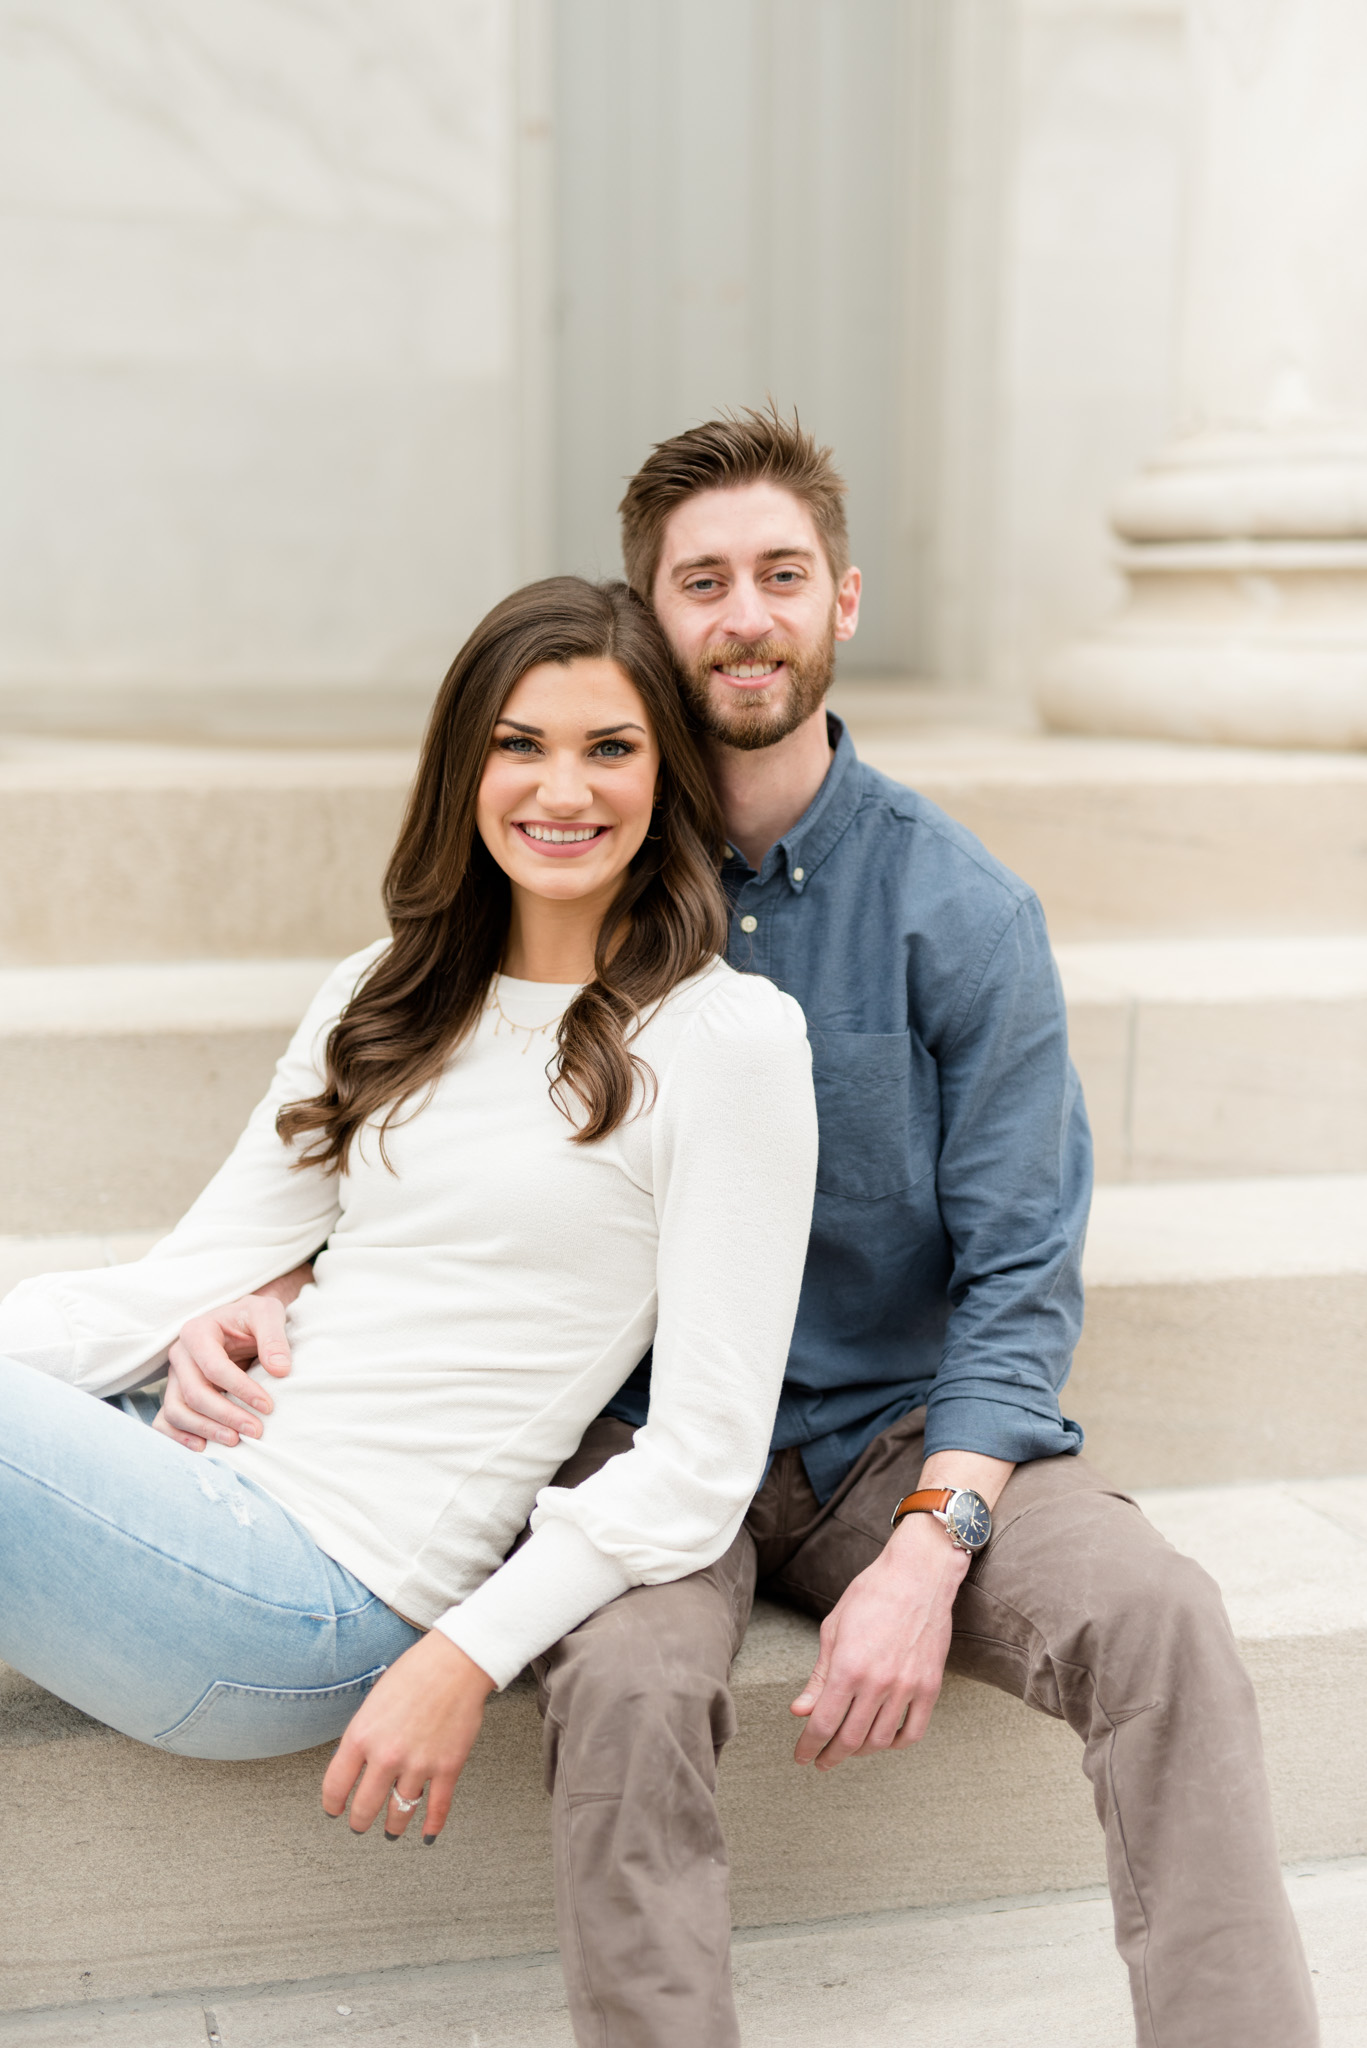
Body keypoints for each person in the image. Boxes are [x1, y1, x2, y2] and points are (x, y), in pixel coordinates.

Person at [155, 412, 1318, 2048]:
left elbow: (1019, 1262)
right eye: (699, 582)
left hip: (882, 1431)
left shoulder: (955, 909)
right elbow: (433, 1111)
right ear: (646, 619)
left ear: (843, 601)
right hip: (627, 1446)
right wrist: (267, 1275)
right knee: (625, 1684)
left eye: (779, 574)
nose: (743, 614)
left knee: (1161, 1618)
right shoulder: (578, 849)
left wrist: (936, 1542)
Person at [0, 576, 818, 1858]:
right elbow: (182, 1276)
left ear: (665, 776)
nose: (563, 791)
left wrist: (465, 1652)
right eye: (518, 745)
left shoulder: (726, 1043)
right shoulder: (378, 994)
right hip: (184, 1475)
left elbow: (700, 1462)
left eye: (610, 748)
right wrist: (198, 1327)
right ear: (462, 764)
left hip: (310, 1592)